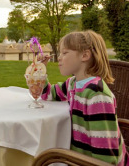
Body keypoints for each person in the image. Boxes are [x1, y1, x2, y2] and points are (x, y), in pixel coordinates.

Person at [40, 30, 128, 165]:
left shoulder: (97, 95)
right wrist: (41, 70)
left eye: (65, 52)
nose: (59, 57)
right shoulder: (73, 83)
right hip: (80, 159)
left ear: (85, 55)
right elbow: (48, 94)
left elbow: (105, 158)